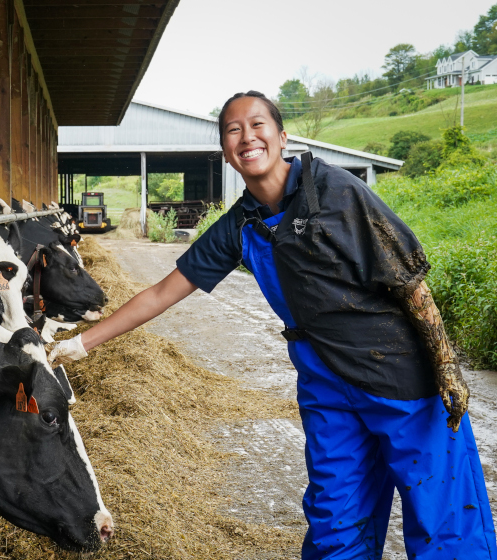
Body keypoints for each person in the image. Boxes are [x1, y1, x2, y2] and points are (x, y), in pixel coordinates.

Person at [49, 91, 496, 559]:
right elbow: (163, 292)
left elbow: (409, 280)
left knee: (443, 519)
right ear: (225, 150)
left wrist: (446, 364)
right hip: (326, 386)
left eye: (258, 124)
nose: (247, 136)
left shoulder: (336, 190)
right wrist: (79, 344)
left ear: (282, 137)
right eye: (233, 129)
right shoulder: (241, 224)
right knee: (335, 522)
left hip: (399, 376)